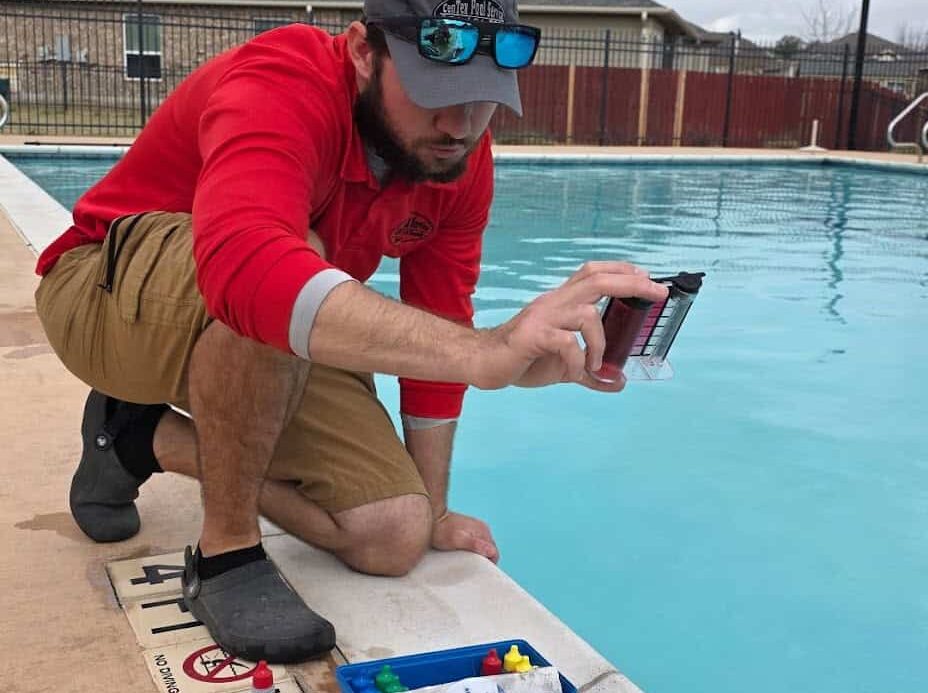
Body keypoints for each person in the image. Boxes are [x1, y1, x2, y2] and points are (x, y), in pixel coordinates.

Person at [34, 0, 667, 665]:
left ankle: (137, 436)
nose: (459, 124)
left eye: (482, 99)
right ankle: (226, 555)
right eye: (434, 92)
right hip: (99, 294)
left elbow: (441, 320)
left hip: (255, 322)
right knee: (288, 259)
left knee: (392, 533)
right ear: (365, 52)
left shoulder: (455, 158)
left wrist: (435, 508)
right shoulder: (283, 79)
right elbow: (254, 272)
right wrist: (484, 352)